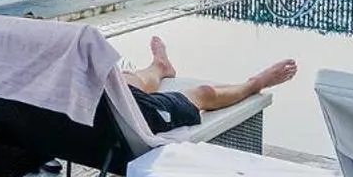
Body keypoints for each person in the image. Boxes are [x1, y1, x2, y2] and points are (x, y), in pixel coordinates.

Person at [123, 35, 296, 133]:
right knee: (204, 93)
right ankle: (255, 84)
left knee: (127, 79)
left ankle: (159, 67)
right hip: (130, 115)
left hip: (112, 95)